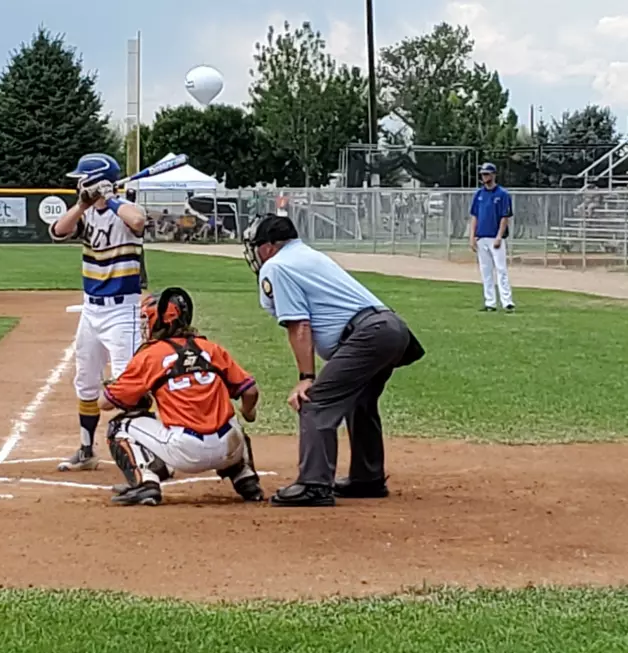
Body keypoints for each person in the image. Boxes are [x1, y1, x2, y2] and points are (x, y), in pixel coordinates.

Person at [242, 214, 425, 507]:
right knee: (360, 401)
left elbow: (299, 325)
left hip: (368, 334)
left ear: (269, 246)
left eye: (256, 245)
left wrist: (306, 378)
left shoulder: (277, 266)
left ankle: (314, 484)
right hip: (391, 329)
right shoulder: (305, 254)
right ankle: (367, 478)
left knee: (315, 401)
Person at [98, 287, 264, 506]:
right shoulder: (211, 348)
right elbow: (250, 391)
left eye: (147, 319)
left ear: (160, 321)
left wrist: (122, 390)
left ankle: (145, 484)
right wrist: (248, 412)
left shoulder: (151, 355)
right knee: (231, 420)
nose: (145, 325)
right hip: (229, 449)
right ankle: (245, 478)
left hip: (186, 451)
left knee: (119, 426)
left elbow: (106, 403)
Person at [50, 153, 147, 472]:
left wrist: (110, 197)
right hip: (91, 310)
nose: (79, 183)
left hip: (123, 311)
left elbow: (139, 222)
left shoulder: (125, 210)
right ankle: (86, 449)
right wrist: (82, 203)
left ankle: (144, 455)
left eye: (83, 179)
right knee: (86, 380)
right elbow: (58, 231)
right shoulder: (85, 214)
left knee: (127, 384)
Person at [469, 163, 515, 312]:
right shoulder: (479, 194)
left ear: (494, 175)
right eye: (483, 174)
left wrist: (499, 237)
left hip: (495, 237)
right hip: (482, 237)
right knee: (486, 270)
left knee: (501, 269)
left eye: (487, 174)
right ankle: (490, 302)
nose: (484, 177)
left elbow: (504, 217)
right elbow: (474, 216)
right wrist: (472, 236)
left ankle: (507, 301)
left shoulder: (502, 194)